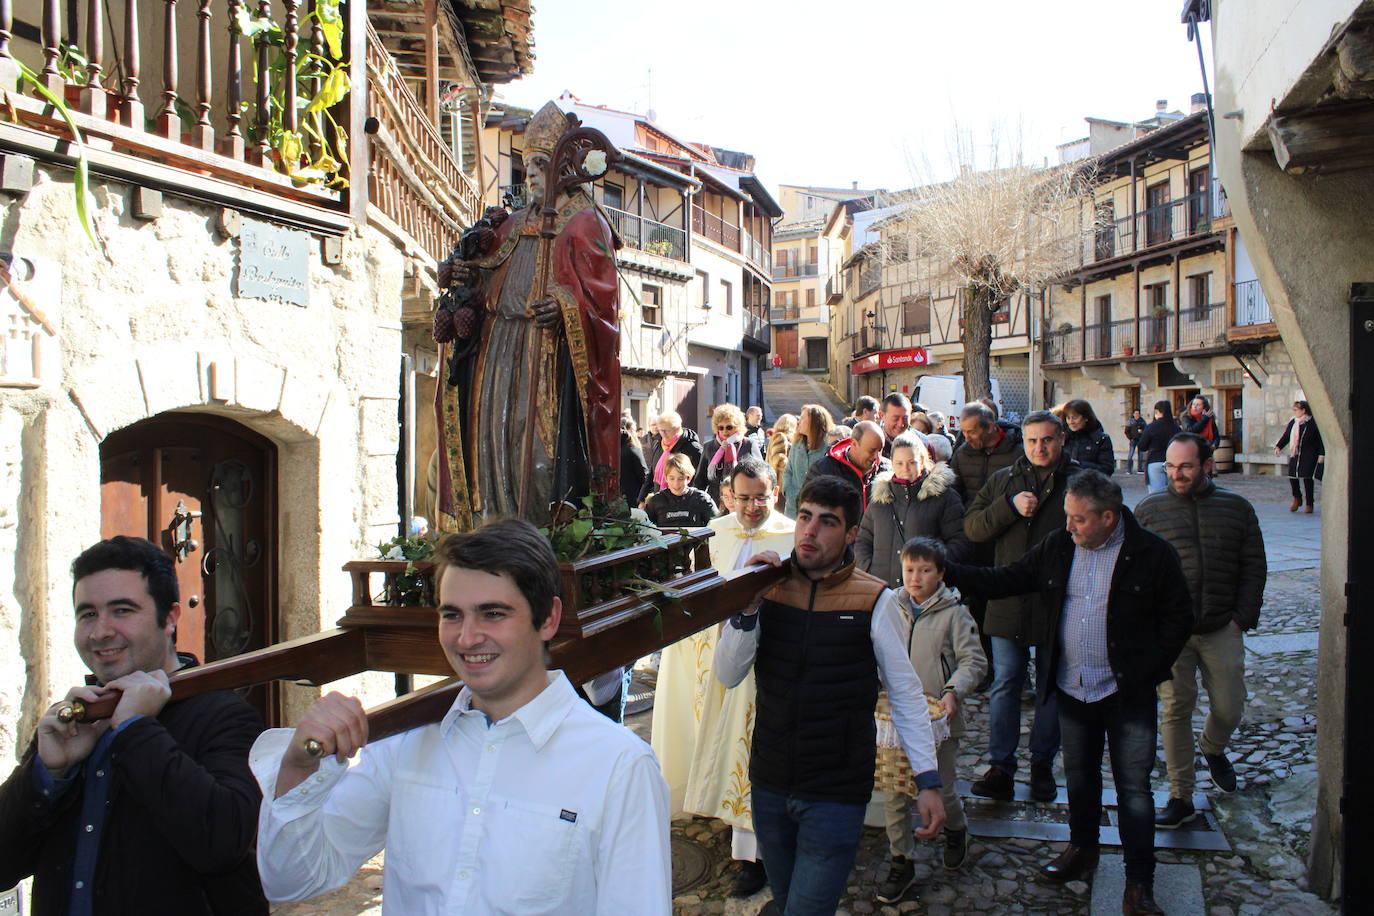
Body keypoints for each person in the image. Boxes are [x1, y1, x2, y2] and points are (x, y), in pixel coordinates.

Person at [253, 519, 672, 913]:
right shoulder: (405, 743)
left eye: (493, 613)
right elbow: (292, 880)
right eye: (452, 614)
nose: (467, 637)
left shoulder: (618, 766)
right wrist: (298, 766)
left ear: (548, 619)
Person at [944, 471, 1192, 916]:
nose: (1070, 526)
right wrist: (949, 570)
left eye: (1079, 519)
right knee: (1079, 778)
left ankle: (1138, 881)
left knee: (1134, 789)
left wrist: (1147, 672)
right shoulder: (1060, 546)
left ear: (1110, 518)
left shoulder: (1152, 555)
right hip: (1073, 688)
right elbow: (1009, 578)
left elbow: (1178, 619)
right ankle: (1082, 850)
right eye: (1068, 517)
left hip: (1126, 693)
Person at [714, 475, 946, 914]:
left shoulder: (874, 600)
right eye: (805, 517)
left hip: (835, 790)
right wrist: (748, 607)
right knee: (785, 901)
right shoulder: (770, 585)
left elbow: (906, 693)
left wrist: (928, 780)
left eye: (826, 523)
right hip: (770, 782)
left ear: (851, 534)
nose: (809, 531)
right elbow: (727, 674)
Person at [0, 536, 267, 915]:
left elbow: (222, 845)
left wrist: (136, 731)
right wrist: (48, 773)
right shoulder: (74, 719)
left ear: (171, 618)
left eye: (122, 610)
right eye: (87, 614)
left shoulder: (225, 716)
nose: (100, 632)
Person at [434, 102, 621, 529]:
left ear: (564, 168)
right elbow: (483, 281)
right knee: (492, 444)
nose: (531, 174)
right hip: (497, 357)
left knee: (537, 453)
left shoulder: (584, 223)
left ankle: (539, 531)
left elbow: (604, 306)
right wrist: (466, 277)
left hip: (544, 358)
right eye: (527, 165)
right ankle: (493, 528)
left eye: (540, 164)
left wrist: (564, 308)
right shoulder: (510, 226)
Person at [653, 460, 795, 898]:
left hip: (766, 660)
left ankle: (755, 854)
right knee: (721, 745)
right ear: (730, 494)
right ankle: (723, 822)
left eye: (761, 497)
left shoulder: (791, 535)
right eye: (744, 497)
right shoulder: (713, 531)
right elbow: (698, 585)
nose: (752, 507)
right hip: (712, 654)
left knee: (750, 752)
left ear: (775, 492)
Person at [1136, 433, 1267, 828]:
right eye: (1171, 466)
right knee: (1175, 709)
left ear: (1206, 465)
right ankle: (1181, 794)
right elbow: (1137, 570)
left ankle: (1212, 747)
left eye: (1186, 466)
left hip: (1221, 625)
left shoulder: (1236, 508)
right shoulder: (1149, 510)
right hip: (1171, 632)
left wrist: (1241, 616)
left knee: (1229, 706)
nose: (1177, 474)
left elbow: (1253, 564)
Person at [962, 410, 1080, 803]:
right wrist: (1009, 507)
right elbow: (973, 527)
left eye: (1046, 440)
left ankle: (1042, 765)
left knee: (1050, 686)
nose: (1039, 448)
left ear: (1060, 439)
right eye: (1032, 441)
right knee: (1005, 684)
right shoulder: (1004, 480)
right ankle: (1001, 767)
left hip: (1058, 602)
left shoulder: (1079, 482)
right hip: (1008, 599)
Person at [875, 538, 987, 904]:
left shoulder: (955, 614)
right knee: (894, 793)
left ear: (939, 573)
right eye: (910, 570)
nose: (915, 578)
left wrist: (954, 689)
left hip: (938, 721)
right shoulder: (890, 606)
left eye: (924, 570)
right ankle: (901, 859)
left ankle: (956, 828)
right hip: (894, 720)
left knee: (944, 788)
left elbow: (974, 661)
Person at [856, 431, 971, 588]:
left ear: (922, 460)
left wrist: (933, 569)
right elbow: (863, 540)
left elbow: (959, 541)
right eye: (899, 463)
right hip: (883, 591)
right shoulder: (879, 499)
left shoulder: (944, 497)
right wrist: (869, 569)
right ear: (891, 462)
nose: (905, 469)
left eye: (912, 462)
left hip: (927, 591)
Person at [804, 419, 890, 510]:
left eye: (880, 450)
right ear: (854, 444)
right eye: (871, 450)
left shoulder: (888, 471)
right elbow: (808, 508)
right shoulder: (823, 470)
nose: (876, 456)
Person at [949, 401, 1024, 502]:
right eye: (963, 431)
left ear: (989, 427)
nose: (967, 439)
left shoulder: (1018, 453)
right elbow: (953, 493)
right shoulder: (962, 453)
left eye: (972, 432)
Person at [696, 403, 764, 505]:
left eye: (729, 427)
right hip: (715, 503)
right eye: (721, 427)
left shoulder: (749, 444)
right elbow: (700, 481)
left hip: (742, 502)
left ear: (737, 426)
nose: (724, 431)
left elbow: (761, 474)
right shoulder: (709, 447)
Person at [640, 409, 704, 505]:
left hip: (684, 503)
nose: (663, 434)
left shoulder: (692, 448)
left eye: (667, 430)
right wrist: (642, 499)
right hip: (661, 503)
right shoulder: (659, 444)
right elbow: (652, 474)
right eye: (661, 430)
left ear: (678, 429)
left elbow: (699, 479)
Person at [782, 403, 836, 514]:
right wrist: (788, 492)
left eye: (802, 418)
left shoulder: (829, 448)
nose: (798, 421)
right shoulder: (797, 445)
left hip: (818, 510)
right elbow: (788, 471)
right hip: (792, 511)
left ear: (815, 421)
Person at [1274, 399, 1324, 513]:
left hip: (1309, 454)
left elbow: (1321, 440)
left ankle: (1309, 503)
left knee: (1307, 478)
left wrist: (1322, 454)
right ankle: (1297, 498)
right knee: (1292, 476)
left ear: (1303, 410)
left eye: (1296, 410)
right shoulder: (1294, 422)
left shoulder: (1313, 423)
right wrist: (1278, 447)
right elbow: (1286, 436)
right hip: (1295, 453)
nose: (1294, 412)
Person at [644, 454, 717, 529]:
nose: (676, 484)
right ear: (666, 478)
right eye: (672, 478)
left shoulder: (701, 499)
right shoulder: (656, 501)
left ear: (689, 478)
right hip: (666, 540)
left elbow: (717, 525)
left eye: (681, 479)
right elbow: (643, 528)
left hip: (694, 540)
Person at [1062, 399, 1116, 476]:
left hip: (1090, 485)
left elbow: (1107, 469)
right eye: (1068, 418)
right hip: (1064, 486)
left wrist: (1080, 465)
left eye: (1075, 417)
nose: (1071, 421)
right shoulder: (1062, 437)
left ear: (1086, 417)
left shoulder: (1101, 439)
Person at [1136, 400, 1180, 494]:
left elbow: (1142, 446)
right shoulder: (1176, 428)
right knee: (1174, 494)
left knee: (1156, 495)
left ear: (1157, 411)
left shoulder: (1151, 427)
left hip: (1155, 461)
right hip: (1173, 463)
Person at [766, 413, 798, 511]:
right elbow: (778, 458)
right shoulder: (781, 436)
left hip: (780, 481)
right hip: (780, 481)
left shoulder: (781, 436)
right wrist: (792, 466)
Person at [620, 418, 648, 508]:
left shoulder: (615, 449)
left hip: (620, 496)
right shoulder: (632, 449)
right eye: (634, 430)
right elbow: (644, 475)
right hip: (634, 496)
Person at [880, 392, 912, 458]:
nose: (901, 424)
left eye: (905, 418)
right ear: (882, 415)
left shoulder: (920, 442)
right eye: (895, 418)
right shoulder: (873, 443)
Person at [1124, 408, 1147, 474]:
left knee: (1141, 455)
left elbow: (1146, 430)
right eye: (1136, 413)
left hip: (1140, 440)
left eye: (1138, 413)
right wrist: (1130, 438)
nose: (1137, 415)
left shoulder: (1142, 421)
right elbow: (1126, 431)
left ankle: (1139, 469)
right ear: (1133, 414)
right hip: (1133, 440)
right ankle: (1129, 470)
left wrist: (1142, 433)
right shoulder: (1130, 421)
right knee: (1131, 455)